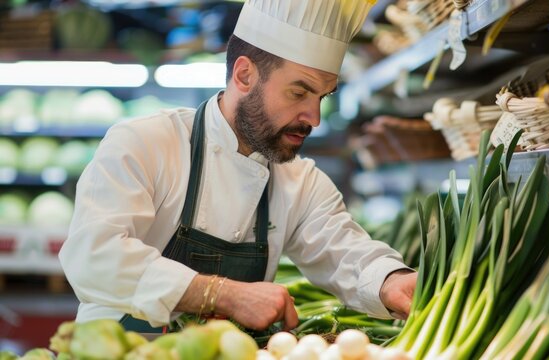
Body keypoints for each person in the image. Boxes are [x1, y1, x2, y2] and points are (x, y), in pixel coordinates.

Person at [59, 0, 417, 333]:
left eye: (321, 97)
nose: (315, 119)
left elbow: (345, 253)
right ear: (244, 75)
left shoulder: (301, 183)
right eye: (299, 93)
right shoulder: (143, 143)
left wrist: (392, 281)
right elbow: (95, 256)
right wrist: (222, 294)